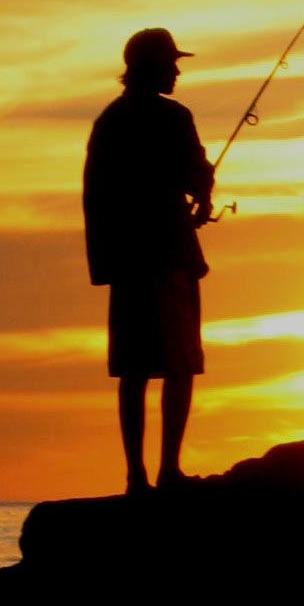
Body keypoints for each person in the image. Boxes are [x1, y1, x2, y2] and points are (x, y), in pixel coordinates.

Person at [83, 27, 214, 494]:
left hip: (127, 263)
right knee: (179, 366)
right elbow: (193, 174)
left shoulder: (109, 120)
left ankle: (136, 476)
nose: (177, 70)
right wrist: (204, 189)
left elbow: (95, 196)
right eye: (171, 63)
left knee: (134, 370)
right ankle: (168, 471)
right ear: (152, 66)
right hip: (170, 257)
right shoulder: (175, 117)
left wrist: (105, 263)